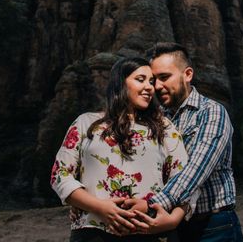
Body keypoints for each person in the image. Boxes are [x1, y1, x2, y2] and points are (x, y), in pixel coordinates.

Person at [50, 56, 191, 242]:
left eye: (151, 81)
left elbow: (184, 182)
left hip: (148, 231)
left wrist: (173, 221)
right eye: (140, 80)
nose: (149, 87)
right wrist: (100, 207)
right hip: (93, 231)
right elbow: (59, 175)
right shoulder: (86, 123)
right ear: (120, 83)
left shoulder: (163, 127)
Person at [127, 42, 243, 241]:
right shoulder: (157, 119)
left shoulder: (211, 112)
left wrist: (150, 205)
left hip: (214, 226)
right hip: (174, 227)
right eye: (154, 80)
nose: (157, 86)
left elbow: (196, 170)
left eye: (164, 77)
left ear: (187, 74)